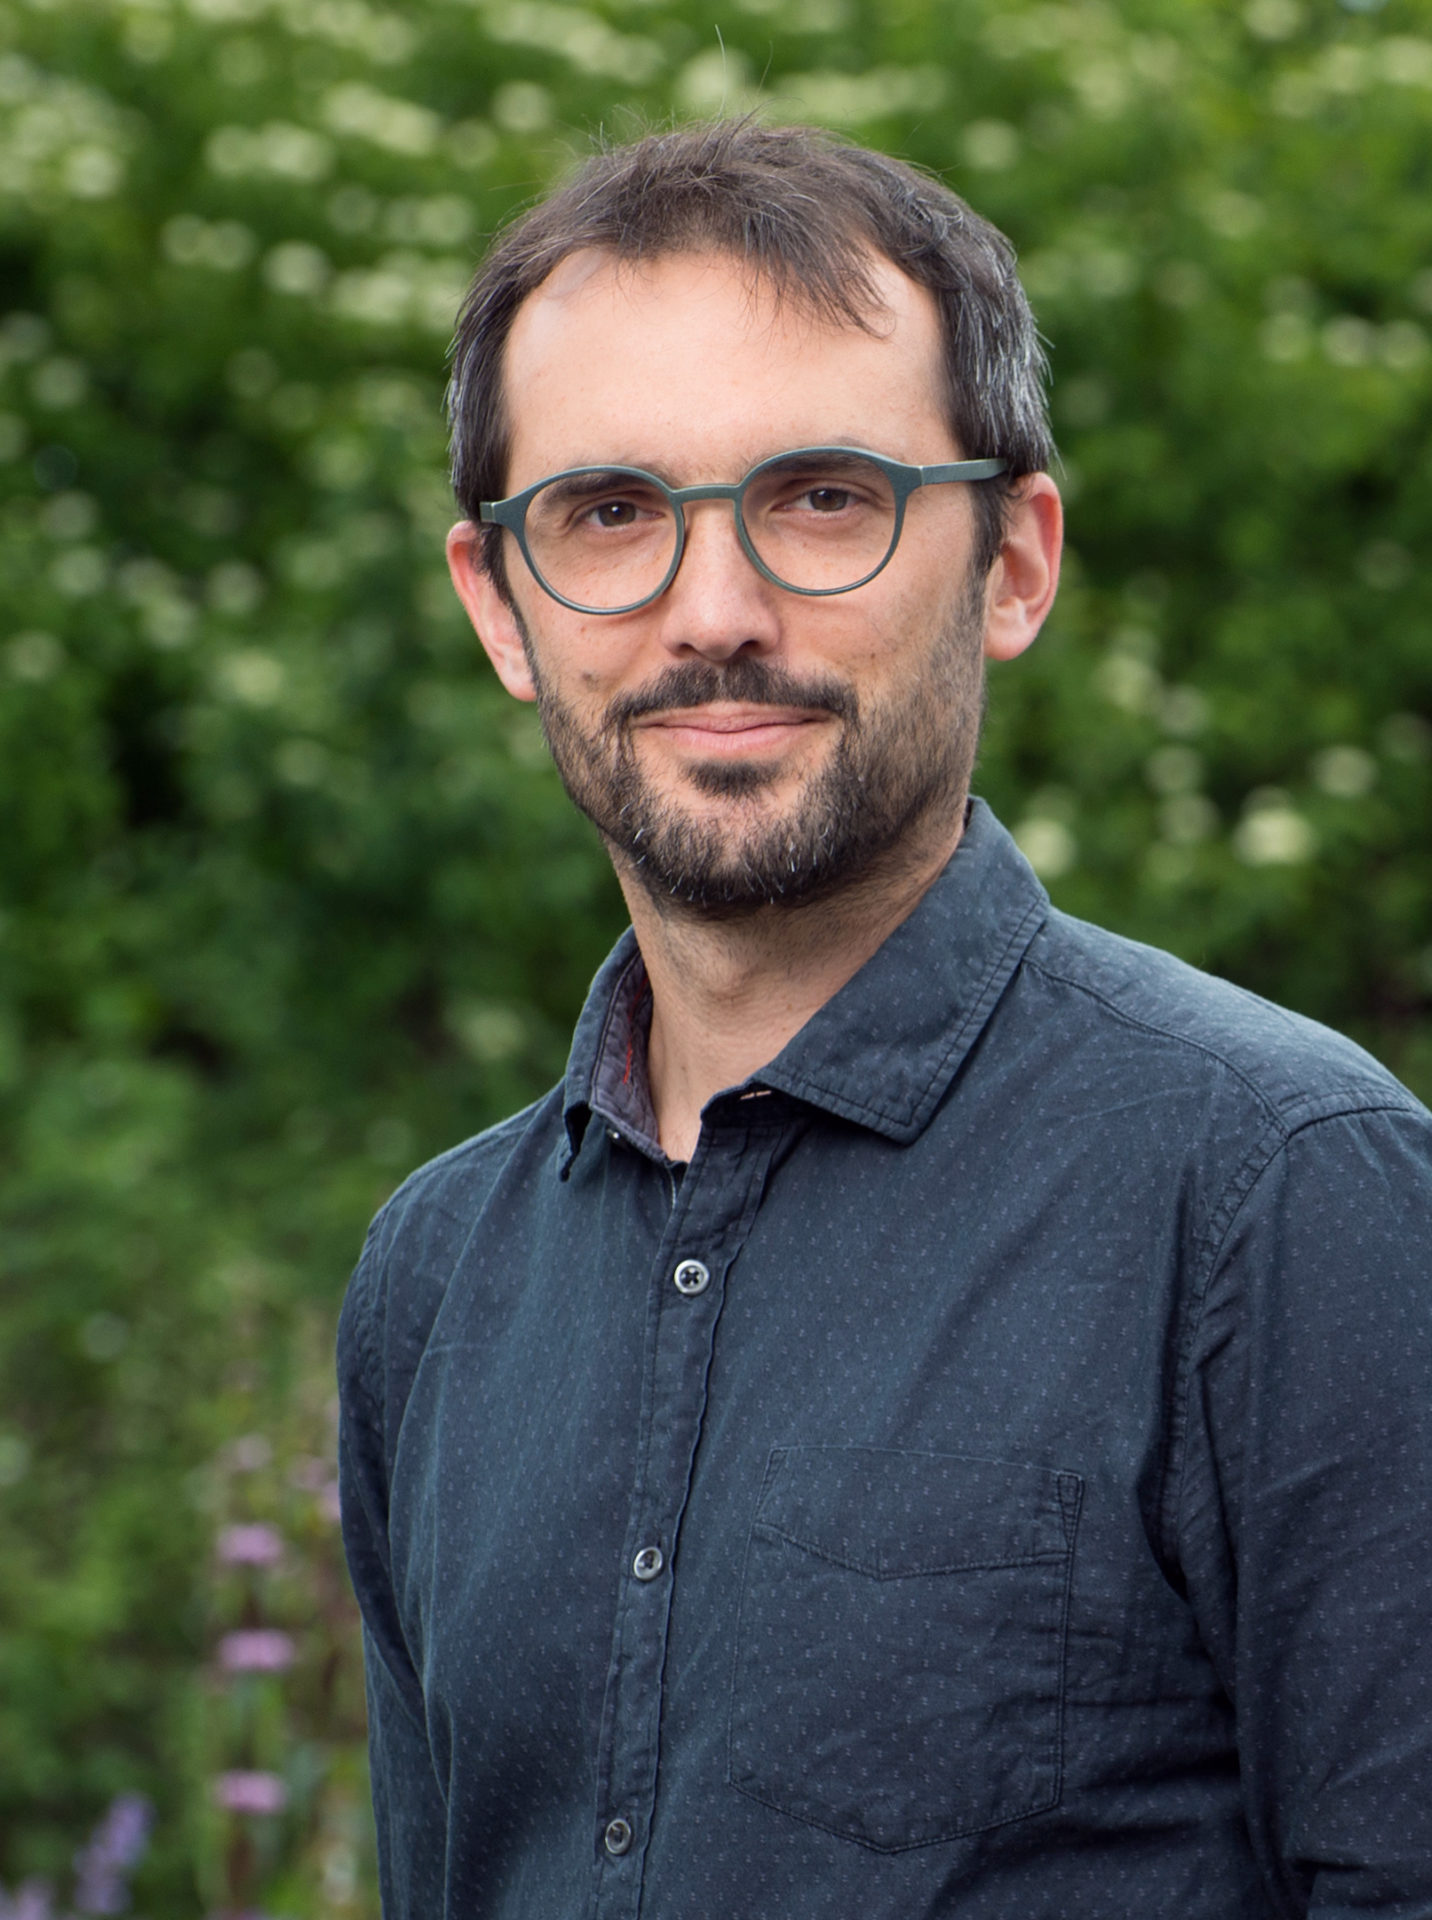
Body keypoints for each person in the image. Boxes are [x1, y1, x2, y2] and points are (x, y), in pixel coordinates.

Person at [336, 119, 1432, 1918]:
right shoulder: (435, 1279)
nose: (712, 613)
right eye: (608, 514)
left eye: (823, 498)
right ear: (501, 608)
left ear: (1014, 562)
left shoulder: (1285, 1197)